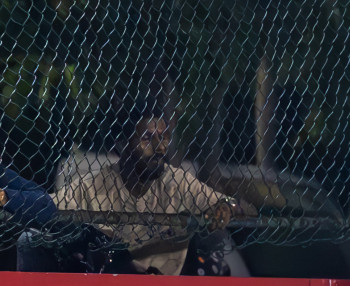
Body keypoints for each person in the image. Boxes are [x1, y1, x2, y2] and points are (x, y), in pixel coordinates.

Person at [54, 103, 238, 275]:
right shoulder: (93, 185)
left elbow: (228, 202)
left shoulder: (177, 181)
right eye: (147, 139)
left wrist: (226, 206)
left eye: (163, 137)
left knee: (213, 259)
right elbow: (48, 208)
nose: (160, 147)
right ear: (122, 143)